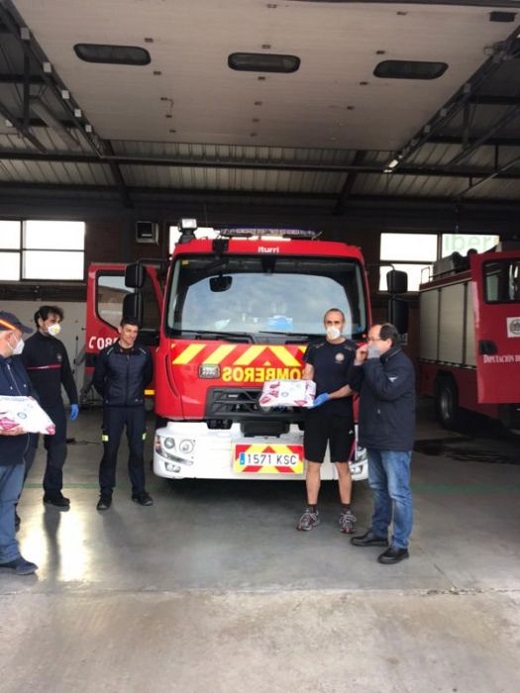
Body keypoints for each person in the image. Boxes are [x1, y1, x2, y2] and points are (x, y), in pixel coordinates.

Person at [349, 322, 415, 565]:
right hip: (374, 435)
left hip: (394, 438)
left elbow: (386, 390)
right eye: (368, 339)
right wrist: (358, 361)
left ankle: (400, 544)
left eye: (374, 340)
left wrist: (372, 361)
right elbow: (356, 385)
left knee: (398, 492)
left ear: (388, 341)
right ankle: (378, 533)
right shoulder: (374, 362)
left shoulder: (401, 365)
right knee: (378, 488)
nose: (369, 344)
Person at [296, 308, 358, 533]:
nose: (333, 325)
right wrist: (298, 391)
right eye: (329, 322)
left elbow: (353, 386)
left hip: (341, 415)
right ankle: (311, 512)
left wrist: (328, 396)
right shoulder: (315, 347)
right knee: (313, 464)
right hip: (315, 415)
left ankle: (346, 513)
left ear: (344, 324)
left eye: (337, 322)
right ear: (324, 324)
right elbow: (308, 373)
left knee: (342, 464)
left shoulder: (352, 349)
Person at [20, 305, 79, 511]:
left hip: (55, 408)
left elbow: (67, 377)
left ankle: (53, 493)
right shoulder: (27, 348)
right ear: (40, 322)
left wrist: (74, 400)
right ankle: (11, 503)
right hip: (32, 409)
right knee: (26, 455)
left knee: (58, 451)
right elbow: (20, 380)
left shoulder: (59, 346)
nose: (56, 325)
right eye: (52, 321)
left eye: (58, 321)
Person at [93, 318, 154, 510]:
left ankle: (139, 492)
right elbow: (98, 380)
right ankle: (105, 495)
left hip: (136, 409)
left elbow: (147, 377)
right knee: (110, 452)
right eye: (128, 331)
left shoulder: (144, 353)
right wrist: (111, 396)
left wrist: (134, 395)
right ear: (120, 330)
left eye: (135, 332)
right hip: (113, 409)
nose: (132, 335)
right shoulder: (108, 353)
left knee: (137, 451)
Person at [0, 311, 38, 575]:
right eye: (19, 334)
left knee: (7, 504)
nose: (21, 339)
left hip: (16, 452)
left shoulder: (15, 364)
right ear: (8, 335)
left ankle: (8, 554)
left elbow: (29, 393)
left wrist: (34, 408)